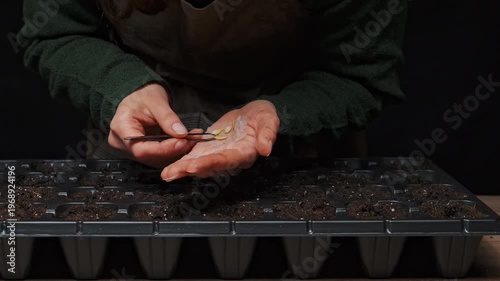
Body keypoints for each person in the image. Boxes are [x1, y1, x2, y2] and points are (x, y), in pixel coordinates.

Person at [19, 0, 407, 181]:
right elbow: (55, 32)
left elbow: (359, 74)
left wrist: (279, 115)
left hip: (302, 165)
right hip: (129, 165)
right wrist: (121, 90)